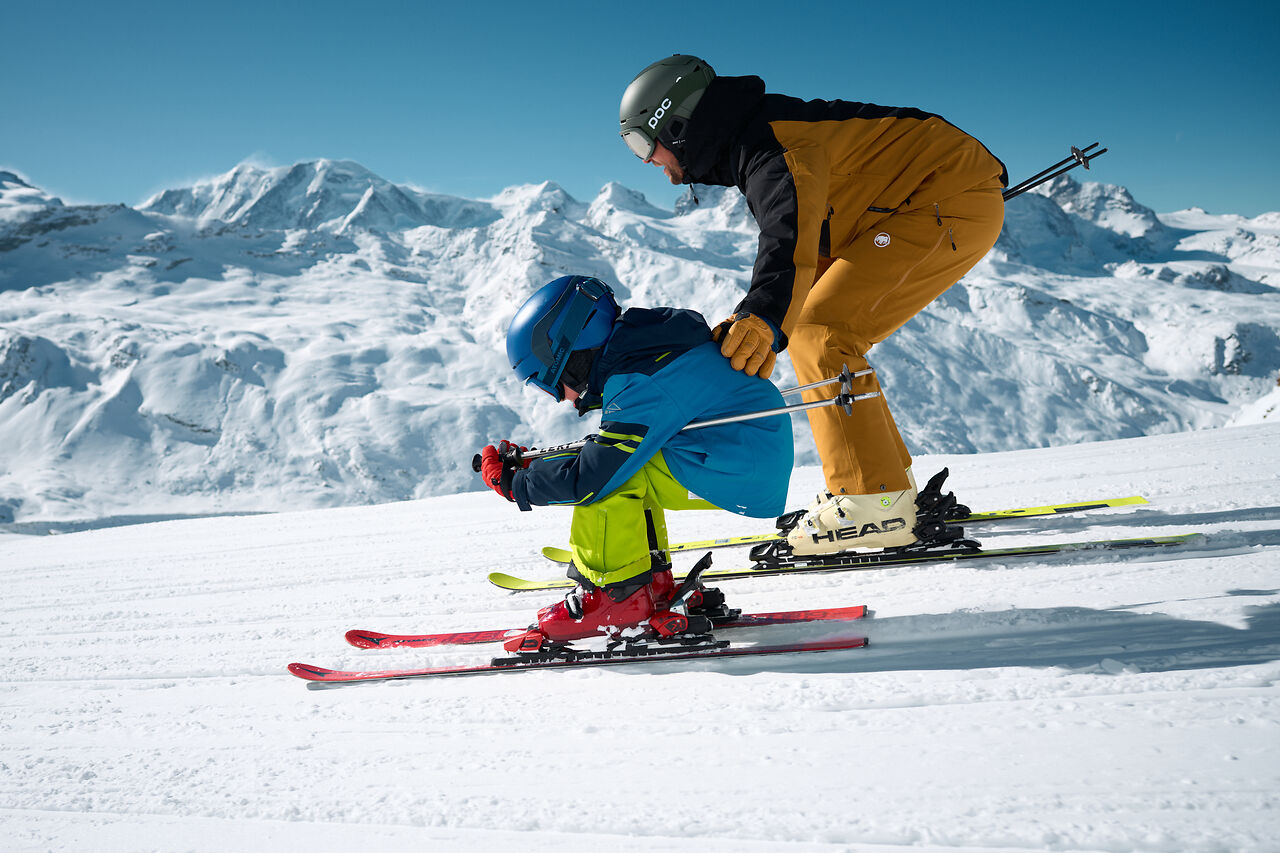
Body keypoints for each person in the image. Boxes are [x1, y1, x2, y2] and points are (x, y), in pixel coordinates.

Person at [618, 55, 1007, 556]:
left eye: (642, 144)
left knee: (821, 332)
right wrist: (766, 312)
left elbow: (788, 233)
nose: (646, 160)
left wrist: (762, 315)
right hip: (927, 197)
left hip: (945, 198)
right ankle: (890, 490)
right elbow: (818, 227)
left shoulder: (772, 144)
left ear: (675, 125)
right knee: (813, 324)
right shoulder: (757, 139)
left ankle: (872, 501)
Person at [477, 274, 793, 650]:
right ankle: (652, 588)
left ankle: (616, 600)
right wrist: (535, 465)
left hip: (739, 470)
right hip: (742, 458)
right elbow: (607, 450)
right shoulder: (649, 355)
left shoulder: (641, 381)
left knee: (611, 484)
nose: (561, 398)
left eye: (550, 382)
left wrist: (515, 485)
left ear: (569, 352)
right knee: (626, 470)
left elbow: (591, 477)